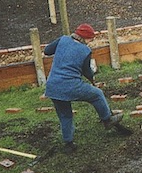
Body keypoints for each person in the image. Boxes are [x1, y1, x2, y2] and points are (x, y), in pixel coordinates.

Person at [44, 23, 131, 153]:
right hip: (70, 86)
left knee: (65, 115)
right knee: (97, 94)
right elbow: (87, 71)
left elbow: (47, 51)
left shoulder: (63, 39)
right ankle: (107, 119)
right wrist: (92, 78)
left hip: (52, 87)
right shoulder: (85, 51)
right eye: (90, 39)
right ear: (84, 38)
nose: (90, 42)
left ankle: (69, 144)